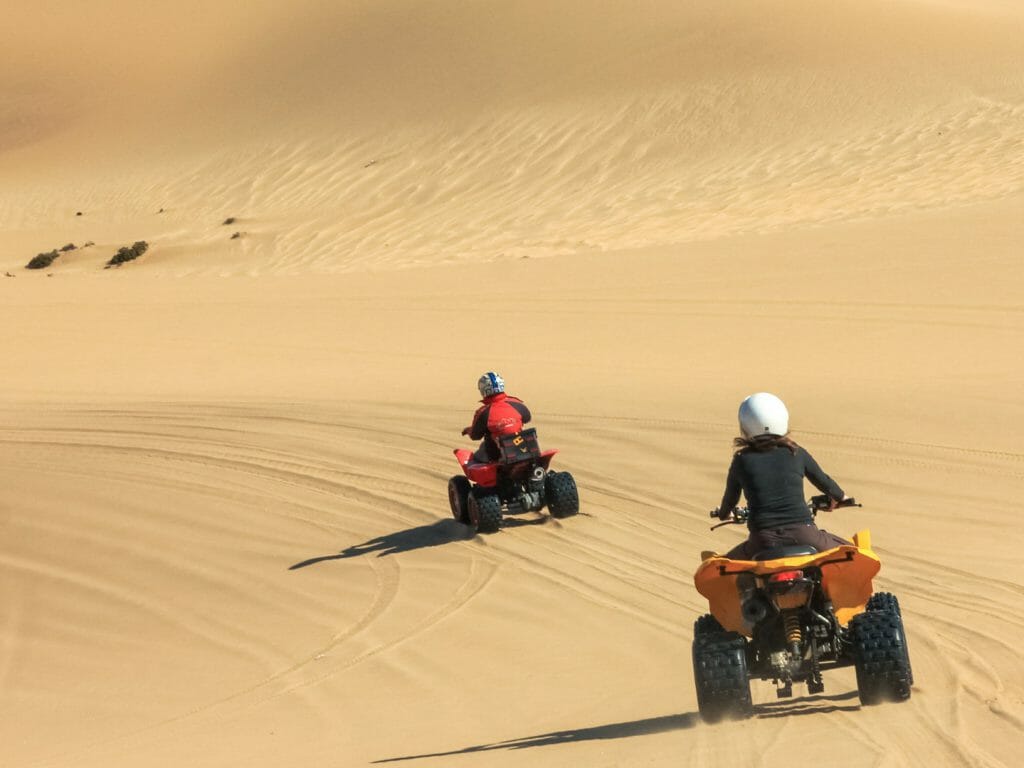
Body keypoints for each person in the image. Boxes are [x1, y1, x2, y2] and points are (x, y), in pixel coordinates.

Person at [717, 392, 850, 560]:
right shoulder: (795, 452)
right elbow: (824, 481)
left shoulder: (741, 459)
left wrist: (724, 514)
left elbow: (730, 498)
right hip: (805, 535)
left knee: (723, 566)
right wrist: (840, 497)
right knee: (853, 553)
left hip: (762, 541)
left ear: (745, 425)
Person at [462, 372, 532, 463]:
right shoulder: (517, 403)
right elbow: (527, 418)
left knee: (476, 459)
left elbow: (475, 436)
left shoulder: (483, 412)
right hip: (522, 449)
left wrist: (468, 430)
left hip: (498, 455)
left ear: (483, 390)